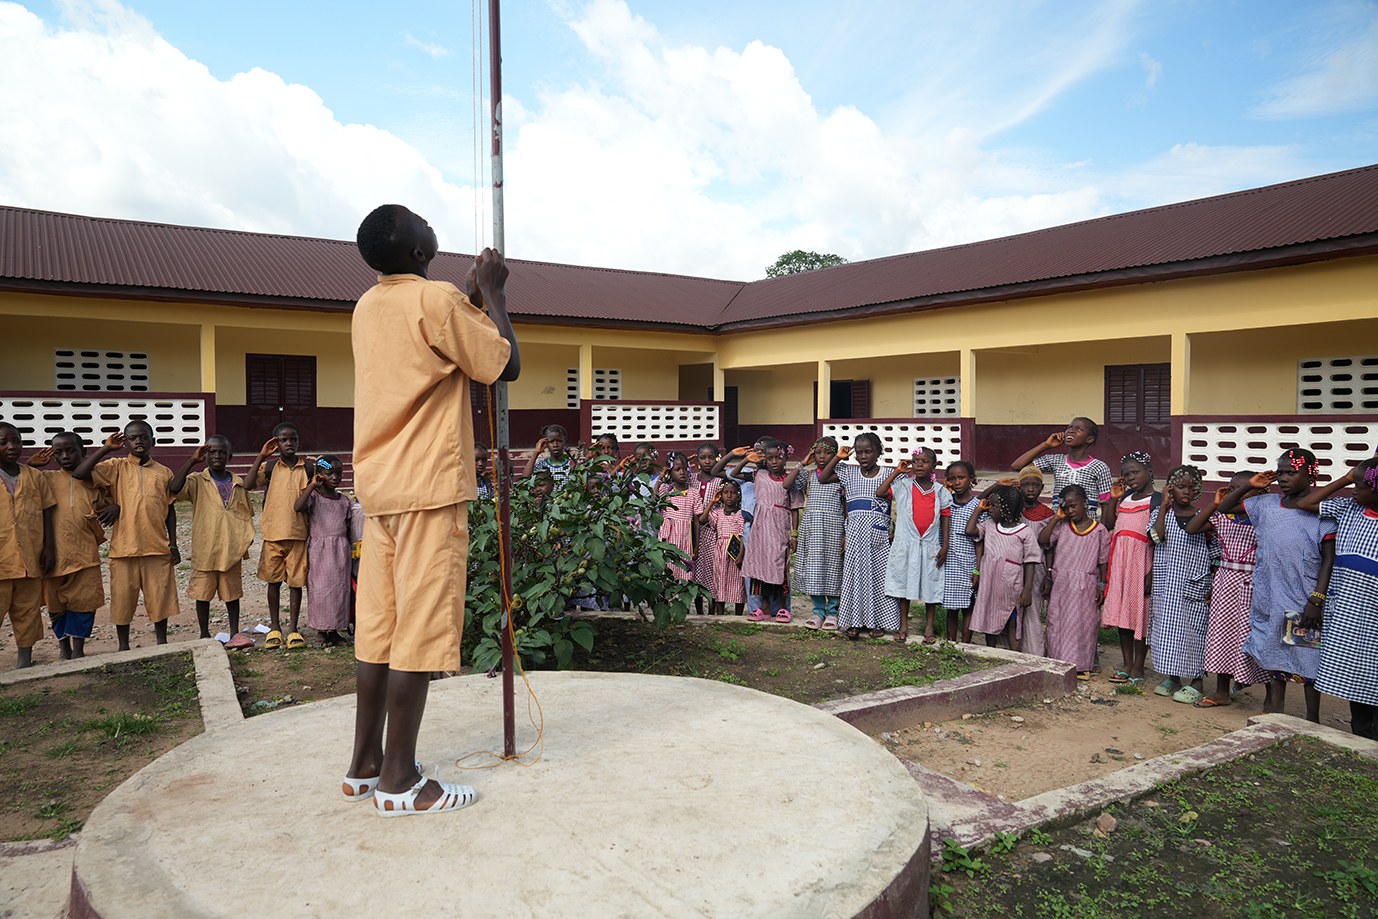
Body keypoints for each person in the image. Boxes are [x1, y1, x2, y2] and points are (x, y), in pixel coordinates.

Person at [344, 204, 518, 817]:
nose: (427, 220)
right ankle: (400, 780)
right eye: (420, 220)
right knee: (417, 628)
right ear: (420, 250)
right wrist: (493, 295)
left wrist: (466, 299)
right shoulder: (438, 299)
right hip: (429, 485)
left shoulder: (369, 304)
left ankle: (364, 763)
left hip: (380, 485)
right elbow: (503, 365)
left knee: (379, 628)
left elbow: (436, 340)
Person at [1218, 450, 1335, 722]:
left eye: (1291, 472)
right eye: (1280, 472)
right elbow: (1225, 508)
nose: (1283, 478)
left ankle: (1312, 719)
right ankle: (1275, 714)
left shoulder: (1321, 513)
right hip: (1269, 596)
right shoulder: (1267, 504)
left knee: (1306, 659)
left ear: (1310, 475)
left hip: (1301, 599)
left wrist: (1316, 600)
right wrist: (1250, 485)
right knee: (1274, 657)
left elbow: (1329, 559)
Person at [74, 420, 179, 651]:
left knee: (160, 600)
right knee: (123, 602)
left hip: (157, 548)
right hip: (124, 550)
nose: (138, 441)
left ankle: (162, 643)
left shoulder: (164, 472)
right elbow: (80, 474)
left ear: (153, 441)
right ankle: (123, 647)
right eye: (132, 438)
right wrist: (105, 448)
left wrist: (173, 543)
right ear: (125, 443)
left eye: (143, 436)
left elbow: (170, 509)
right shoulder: (115, 466)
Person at [1295, 458, 1378, 740]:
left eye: (1360, 485)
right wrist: (1345, 478)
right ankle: (1362, 735)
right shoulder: (1350, 509)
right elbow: (1305, 504)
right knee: (1357, 677)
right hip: (1346, 613)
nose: (1353, 489)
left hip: (1373, 616)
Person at [26, 432, 113, 660]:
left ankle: (78, 649)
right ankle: (63, 647)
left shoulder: (92, 479)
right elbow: (22, 491)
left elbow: (108, 502)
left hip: (85, 554)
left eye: (71, 450)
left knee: (85, 603)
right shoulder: (45, 478)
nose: (65, 456)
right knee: (56, 605)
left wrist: (117, 507)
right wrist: (28, 465)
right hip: (53, 553)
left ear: (83, 452)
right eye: (59, 452)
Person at [1184, 472, 1266, 707]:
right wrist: (1216, 504)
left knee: (1251, 634)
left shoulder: (1264, 519)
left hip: (1253, 583)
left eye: (1242, 489)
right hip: (1225, 581)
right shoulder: (1224, 517)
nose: (1234, 493)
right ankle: (1222, 691)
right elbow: (1193, 527)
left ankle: (1266, 693)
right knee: (1223, 633)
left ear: (1259, 493)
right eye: (1232, 489)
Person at [170, 436, 256, 648]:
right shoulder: (197, 480)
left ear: (230, 456)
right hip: (205, 546)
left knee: (232, 593)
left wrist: (243, 541)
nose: (217, 456)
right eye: (212, 452)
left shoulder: (238, 483)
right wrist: (192, 460)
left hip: (231, 548)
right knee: (203, 593)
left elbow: (246, 513)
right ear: (205, 455)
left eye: (221, 452)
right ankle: (204, 633)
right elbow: (174, 488)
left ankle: (235, 632)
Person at [819, 433, 899, 640]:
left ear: (878, 452)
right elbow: (823, 477)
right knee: (855, 577)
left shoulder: (889, 473)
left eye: (868, 451)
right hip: (854, 534)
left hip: (877, 534)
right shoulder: (848, 472)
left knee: (878, 578)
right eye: (860, 452)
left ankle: (878, 622)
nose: (863, 456)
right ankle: (854, 621)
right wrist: (838, 456)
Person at [1148, 466, 1213, 704]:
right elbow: (1157, 537)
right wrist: (1164, 506)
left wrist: (1212, 584)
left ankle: (1196, 681)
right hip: (1166, 583)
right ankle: (1172, 677)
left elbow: (1214, 550)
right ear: (1169, 488)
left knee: (1194, 631)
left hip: (1193, 582)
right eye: (1180, 486)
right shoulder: (1159, 513)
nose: (1186, 491)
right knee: (1167, 630)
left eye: (1191, 486)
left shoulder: (1203, 515)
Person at [246, 422, 310, 650]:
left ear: (298, 442)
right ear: (276, 443)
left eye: (293, 439)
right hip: (273, 534)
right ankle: (275, 627)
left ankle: (293, 629)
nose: (289, 443)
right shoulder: (270, 467)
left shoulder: (308, 468)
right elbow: (247, 484)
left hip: (299, 534)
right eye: (284, 440)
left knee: (295, 583)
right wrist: (261, 455)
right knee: (273, 582)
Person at [877, 448, 951, 643]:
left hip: (930, 545)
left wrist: (945, 546)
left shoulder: (940, 491)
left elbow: (945, 518)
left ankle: (929, 626)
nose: (919, 465)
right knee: (904, 582)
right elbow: (881, 492)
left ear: (934, 466)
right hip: (906, 544)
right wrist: (897, 471)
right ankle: (903, 624)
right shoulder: (903, 485)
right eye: (915, 461)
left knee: (931, 585)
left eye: (924, 461)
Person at [1038, 485, 1110, 678]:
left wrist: (1101, 586)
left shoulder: (1100, 530)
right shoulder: (1062, 526)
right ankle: (1057, 661)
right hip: (1062, 583)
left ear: (1085, 503)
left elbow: (1103, 561)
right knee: (1057, 622)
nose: (1070, 511)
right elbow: (1043, 540)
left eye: (1073, 506)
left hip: (1086, 584)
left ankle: (1081, 665)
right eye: (1066, 507)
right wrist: (1056, 518)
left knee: (1084, 625)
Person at [0, 422, 56, 669]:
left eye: (17, 441)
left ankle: (24, 661)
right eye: (4, 442)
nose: (11, 447)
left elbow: (46, 512)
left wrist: (49, 547)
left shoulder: (34, 476)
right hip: (2, 559)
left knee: (28, 612)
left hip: (29, 559)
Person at [1100, 451, 1158, 685]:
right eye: (1126, 474)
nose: (1131, 477)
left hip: (1142, 563)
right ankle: (1126, 663)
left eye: (1136, 472)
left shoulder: (1158, 500)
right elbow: (1107, 525)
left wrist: (1152, 571)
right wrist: (1113, 499)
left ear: (1150, 473)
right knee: (1123, 615)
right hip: (1120, 564)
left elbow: (1161, 539)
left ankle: (1138, 666)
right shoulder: (1124, 499)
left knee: (1139, 616)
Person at [295, 455, 359, 647]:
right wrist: (312, 486)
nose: (335, 477)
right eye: (329, 473)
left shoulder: (344, 501)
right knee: (321, 590)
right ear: (319, 475)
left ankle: (336, 631)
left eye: (338, 474)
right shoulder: (314, 497)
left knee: (340, 590)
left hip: (340, 550)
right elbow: (298, 507)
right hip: (320, 551)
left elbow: (350, 527)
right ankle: (322, 631)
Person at [966, 485, 1040, 649]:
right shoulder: (989, 525)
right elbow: (970, 530)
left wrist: (1027, 589)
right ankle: (991, 652)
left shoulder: (1025, 532)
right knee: (989, 618)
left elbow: (1031, 562)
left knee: (1013, 621)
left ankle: (1014, 656)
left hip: (1011, 585)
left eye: (994, 506)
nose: (990, 509)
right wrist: (979, 510)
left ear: (1007, 508)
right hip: (990, 583)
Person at [737, 440, 803, 622]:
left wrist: (794, 534)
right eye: (770, 458)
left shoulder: (791, 480)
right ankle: (763, 607)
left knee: (779, 565)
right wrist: (746, 459)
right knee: (760, 564)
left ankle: (783, 607)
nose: (774, 462)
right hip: (760, 528)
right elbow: (733, 473)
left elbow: (795, 508)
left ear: (786, 458)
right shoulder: (759, 475)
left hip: (780, 527)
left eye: (779, 458)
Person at [1008, 417, 1113, 515]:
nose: (1071, 431)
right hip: (1058, 522)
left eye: (1078, 429)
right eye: (1069, 427)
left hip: (1085, 527)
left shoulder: (1099, 467)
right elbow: (1018, 467)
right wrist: (1046, 445)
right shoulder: (1055, 460)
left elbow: (1106, 503)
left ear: (1089, 439)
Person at [794, 437, 846, 631]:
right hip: (812, 526)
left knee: (833, 568)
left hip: (834, 525)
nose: (822, 456)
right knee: (814, 568)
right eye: (818, 452)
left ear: (836, 455)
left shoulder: (841, 474)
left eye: (827, 453)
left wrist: (845, 534)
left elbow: (846, 505)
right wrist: (802, 463)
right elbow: (787, 484)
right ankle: (818, 611)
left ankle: (833, 612)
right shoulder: (807, 475)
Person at [942, 461, 980, 643]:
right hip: (949, 564)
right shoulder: (946, 503)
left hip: (968, 563)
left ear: (971, 479)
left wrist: (978, 569)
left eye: (961, 478)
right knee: (951, 607)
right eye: (952, 479)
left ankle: (966, 643)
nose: (957, 482)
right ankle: (950, 643)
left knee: (968, 607)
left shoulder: (979, 506)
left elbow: (980, 542)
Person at [698, 479, 746, 616]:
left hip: (735, 550)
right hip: (720, 552)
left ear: (739, 495)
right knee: (719, 581)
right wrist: (712, 501)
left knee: (737, 583)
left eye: (733, 493)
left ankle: (738, 616)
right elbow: (702, 520)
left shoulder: (741, 514)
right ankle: (719, 614)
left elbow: (742, 535)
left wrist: (741, 554)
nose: (729, 496)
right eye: (725, 493)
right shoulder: (717, 512)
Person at [656, 453, 702, 582]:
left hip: (686, 540)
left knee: (685, 575)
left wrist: (696, 547)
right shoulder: (666, 490)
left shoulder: (693, 494)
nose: (682, 472)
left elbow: (697, 522)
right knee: (668, 574)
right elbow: (654, 498)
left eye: (684, 469)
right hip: (668, 539)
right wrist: (661, 476)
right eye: (677, 469)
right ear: (670, 472)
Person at [689, 443, 723, 614]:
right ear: (697, 460)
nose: (707, 461)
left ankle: (712, 610)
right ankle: (699, 610)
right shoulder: (691, 479)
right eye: (703, 457)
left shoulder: (720, 481)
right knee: (695, 571)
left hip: (711, 532)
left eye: (711, 457)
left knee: (711, 571)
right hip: (692, 534)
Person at [523, 424, 574, 489]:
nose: (555, 445)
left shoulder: (572, 466)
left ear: (565, 441)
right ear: (546, 443)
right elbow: (525, 479)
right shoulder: (540, 465)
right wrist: (536, 453)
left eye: (559, 441)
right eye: (551, 441)